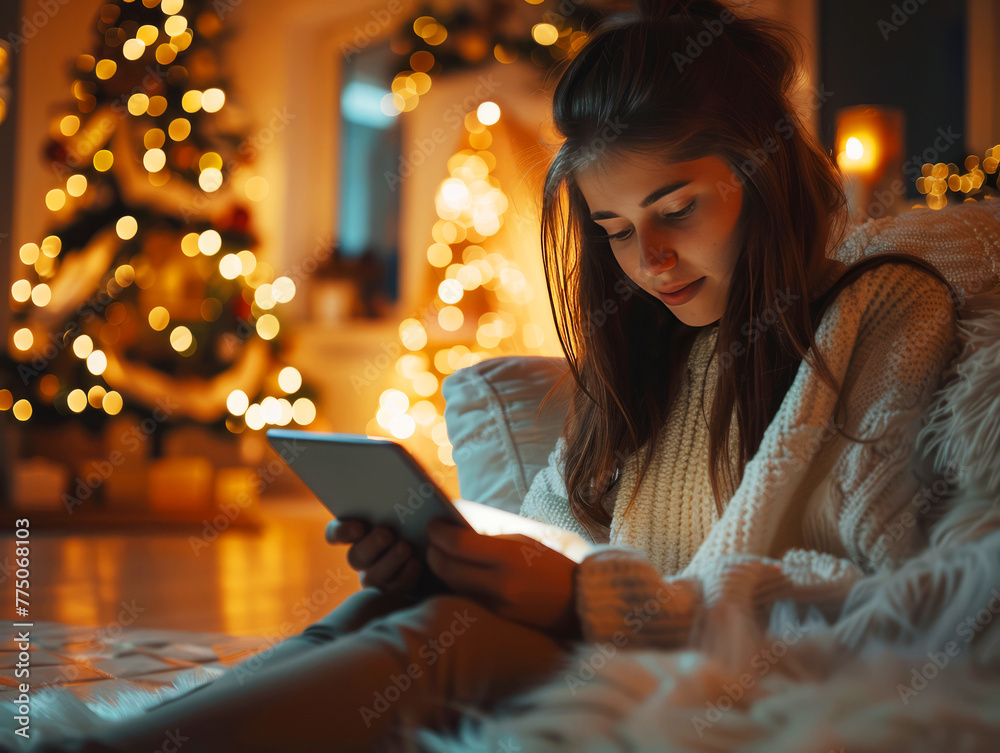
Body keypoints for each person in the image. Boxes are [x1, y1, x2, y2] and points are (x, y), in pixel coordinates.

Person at [23, 0, 987, 751]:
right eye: (613, 231)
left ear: (766, 172)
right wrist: (467, 554)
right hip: (607, 633)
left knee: (445, 642)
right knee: (397, 606)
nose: (646, 260)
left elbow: (883, 590)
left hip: (710, 667)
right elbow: (562, 528)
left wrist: (583, 601)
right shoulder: (659, 342)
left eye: (675, 209)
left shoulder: (884, 309)